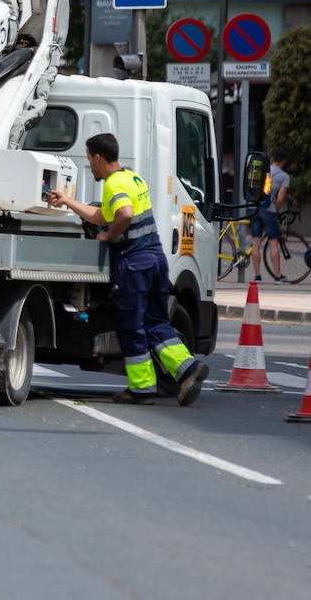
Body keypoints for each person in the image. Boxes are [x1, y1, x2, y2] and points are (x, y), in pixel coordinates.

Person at [46, 133, 209, 405]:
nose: (90, 166)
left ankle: (142, 388)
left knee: (131, 325)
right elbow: (102, 215)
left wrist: (108, 236)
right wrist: (67, 201)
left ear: (98, 157)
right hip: (154, 259)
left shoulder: (112, 184)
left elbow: (124, 215)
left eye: (89, 159)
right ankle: (188, 368)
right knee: (155, 321)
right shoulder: (133, 178)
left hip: (133, 263)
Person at [251, 151, 292, 284]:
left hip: (254, 209)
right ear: (283, 162)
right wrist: (277, 209)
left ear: (272, 159)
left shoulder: (261, 171)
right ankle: (277, 276)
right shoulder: (283, 176)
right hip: (269, 211)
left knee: (255, 243)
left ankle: (257, 276)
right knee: (274, 243)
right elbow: (280, 199)